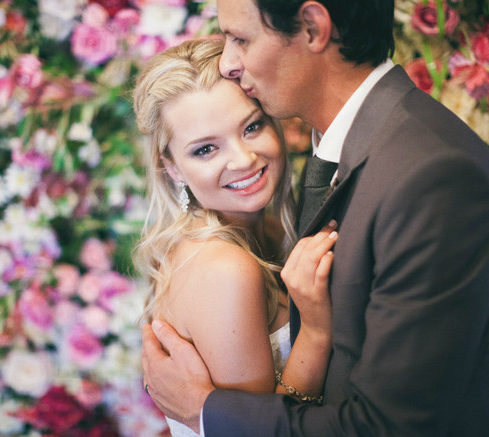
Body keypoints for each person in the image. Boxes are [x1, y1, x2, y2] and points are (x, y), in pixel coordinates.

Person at [141, 1, 489, 436]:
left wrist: (205, 410)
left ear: (312, 27)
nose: (230, 63)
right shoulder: (349, 152)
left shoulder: (435, 177)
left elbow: (392, 426)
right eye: (205, 148)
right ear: (169, 165)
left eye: (241, 39)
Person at [132, 38, 339, 436]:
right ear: (171, 167)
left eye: (252, 126)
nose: (243, 159)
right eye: (206, 149)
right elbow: (259, 429)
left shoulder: (269, 232)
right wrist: (315, 330)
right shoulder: (224, 268)